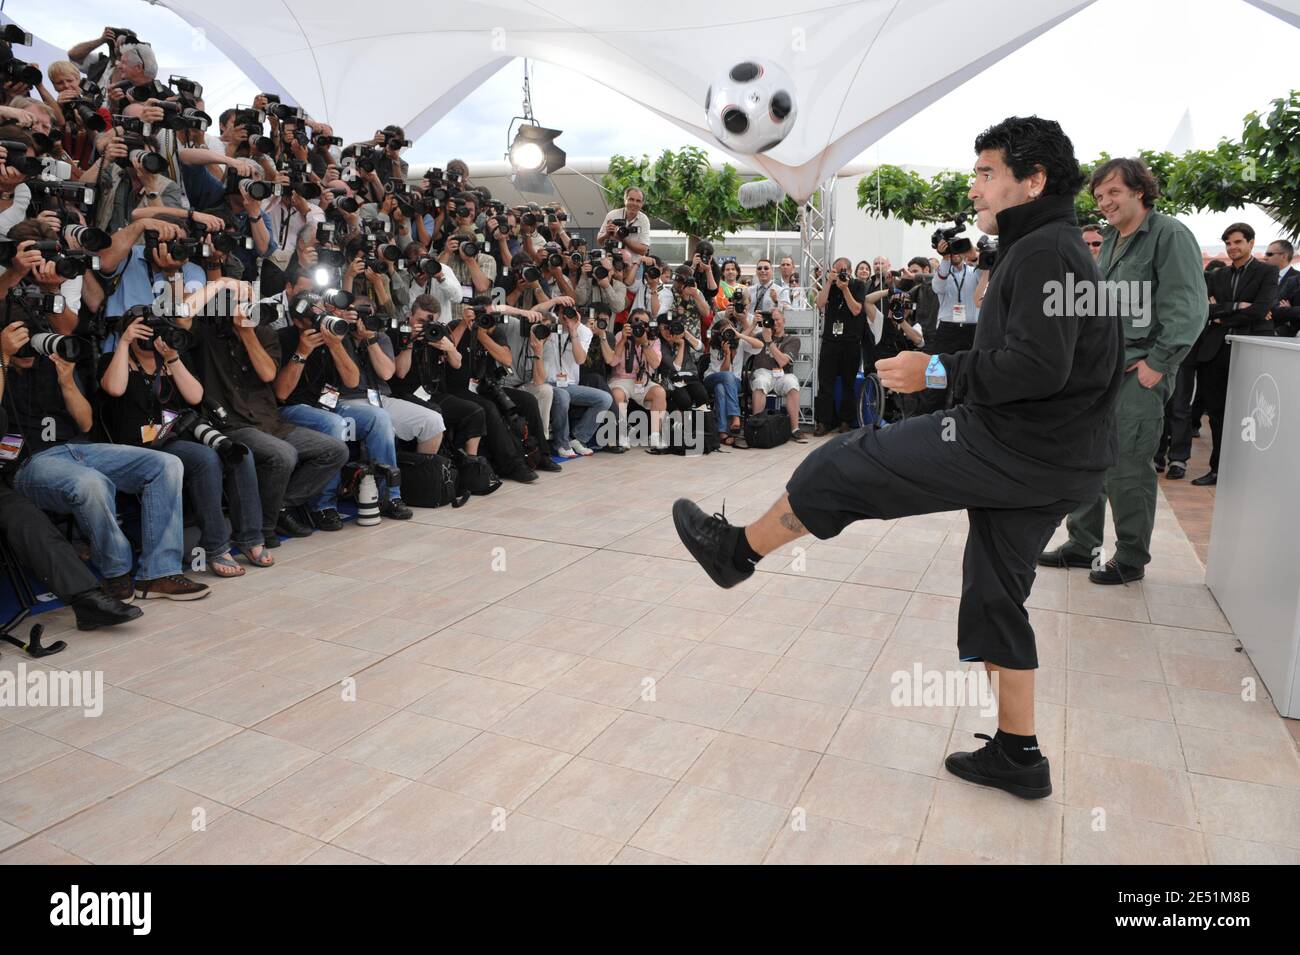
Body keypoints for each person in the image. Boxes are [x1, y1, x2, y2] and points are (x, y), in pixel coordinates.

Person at [672, 116, 1123, 800]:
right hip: (1060, 458)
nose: (974, 190)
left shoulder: (1046, 253)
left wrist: (934, 372)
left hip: (1016, 445)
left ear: (1034, 180)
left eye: (986, 174)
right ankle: (1019, 754)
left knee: (844, 463)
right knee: (995, 597)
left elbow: (1037, 367)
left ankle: (736, 553)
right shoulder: (1052, 247)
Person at [1039, 158, 1204, 584]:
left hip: (1138, 373)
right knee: (1084, 459)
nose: (1105, 202)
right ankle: (1082, 545)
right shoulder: (1109, 239)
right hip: (1096, 373)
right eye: (1098, 195)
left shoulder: (1169, 235)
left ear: (1139, 190)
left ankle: (1130, 557)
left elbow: (1187, 309)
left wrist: (1158, 365)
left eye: (1114, 192)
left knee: (1127, 467)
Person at [1183, 223, 1277, 486]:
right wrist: (1235, 307)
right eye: (1228, 243)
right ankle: (1218, 470)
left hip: (1251, 347)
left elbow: (1260, 310)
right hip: (1215, 351)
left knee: (1252, 413)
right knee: (1216, 413)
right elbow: (1204, 310)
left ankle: (1249, 472)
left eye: (1237, 242)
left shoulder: (1266, 272)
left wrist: (1222, 315)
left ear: (1250, 242)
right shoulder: (1217, 276)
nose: (1232, 247)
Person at [813, 257, 868, 435]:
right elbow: (820, 304)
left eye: (843, 270)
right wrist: (829, 282)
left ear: (850, 271)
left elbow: (856, 309)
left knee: (848, 383)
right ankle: (823, 421)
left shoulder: (858, 285)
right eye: (837, 270)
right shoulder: (830, 285)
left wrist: (845, 289)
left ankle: (846, 421)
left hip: (851, 342)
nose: (840, 273)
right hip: (830, 340)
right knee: (825, 382)